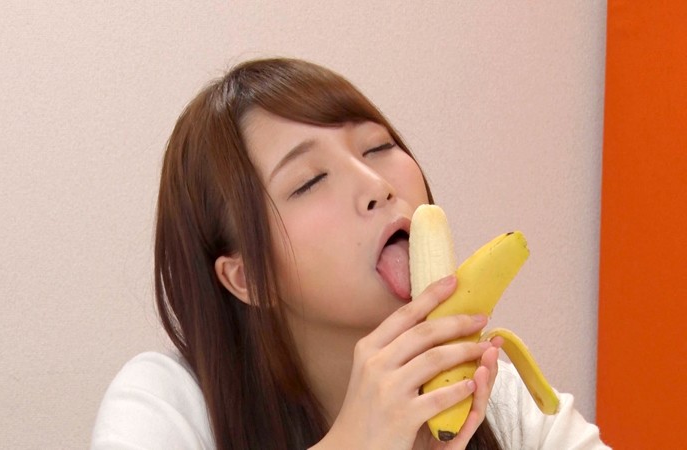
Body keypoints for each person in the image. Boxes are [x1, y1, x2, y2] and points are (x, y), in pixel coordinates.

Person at [91, 58, 609, 449]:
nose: (377, 185)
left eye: (378, 147)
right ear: (248, 278)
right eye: (310, 181)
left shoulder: (493, 394)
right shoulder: (166, 403)